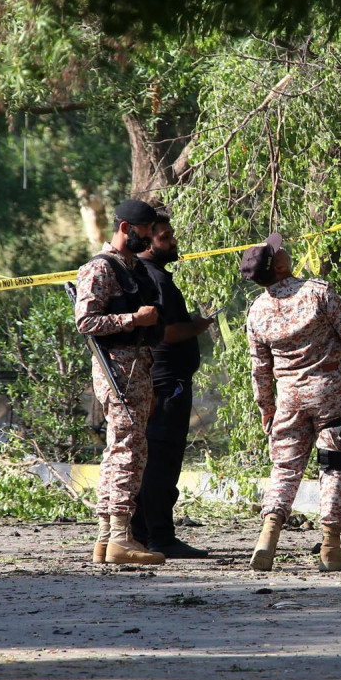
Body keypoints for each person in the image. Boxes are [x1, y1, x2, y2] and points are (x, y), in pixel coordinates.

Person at [242, 233, 341, 572]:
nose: (286, 251)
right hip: (331, 398)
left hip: (289, 402)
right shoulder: (317, 293)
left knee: (284, 469)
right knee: (335, 466)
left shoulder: (257, 311)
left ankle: (268, 537)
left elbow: (260, 369)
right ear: (280, 265)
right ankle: (330, 546)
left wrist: (267, 408)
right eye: (280, 252)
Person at [74, 199, 166, 566]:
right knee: (126, 452)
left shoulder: (128, 267)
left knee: (123, 451)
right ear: (126, 228)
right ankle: (119, 538)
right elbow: (86, 322)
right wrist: (133, 319)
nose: (149, 237)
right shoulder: (99, 268)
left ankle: (106, 538)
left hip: (137, 369)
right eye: (145, 230)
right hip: (118, 370)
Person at [132, 212, 215, 559]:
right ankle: (160, 536)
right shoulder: (154, 279)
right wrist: (200, 324)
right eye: (165, 237)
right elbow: (166, 332)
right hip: (168, 383)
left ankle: (141, 532)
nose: (173, 242)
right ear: (148, 240)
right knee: (163, 458)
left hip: (167, 379)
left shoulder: (149, 275)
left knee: (156, 458)